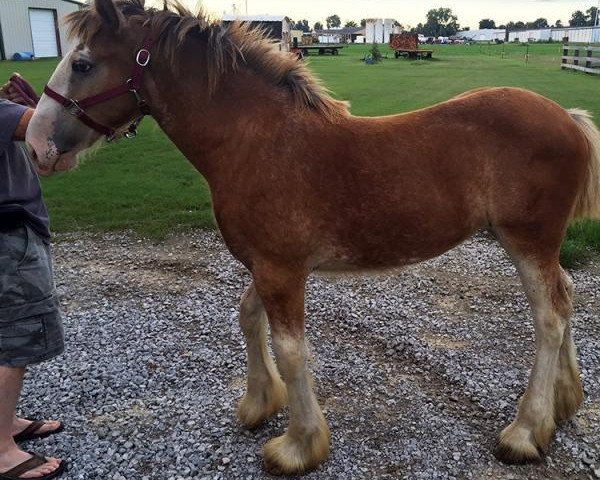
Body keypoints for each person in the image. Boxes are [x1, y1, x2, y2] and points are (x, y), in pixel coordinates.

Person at [0, 76, 66, 479]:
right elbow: (50, 134)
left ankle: (6, 424)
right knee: (16, 345)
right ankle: (2, 451)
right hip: (10, 240)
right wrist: (42, 103)